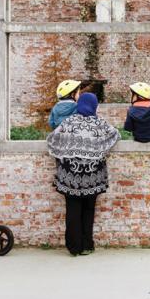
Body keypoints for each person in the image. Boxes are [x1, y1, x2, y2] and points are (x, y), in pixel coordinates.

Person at [46, 91, 119, 256]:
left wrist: (65, 152)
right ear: (95, 106)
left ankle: (74, 247)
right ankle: (87, 245)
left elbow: (52, 140)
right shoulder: (100, 123)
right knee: (88, 210)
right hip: (93, 176)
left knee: (72, 209)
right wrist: (98, 149)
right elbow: (116, 135)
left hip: (70, 175)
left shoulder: (69, 122)